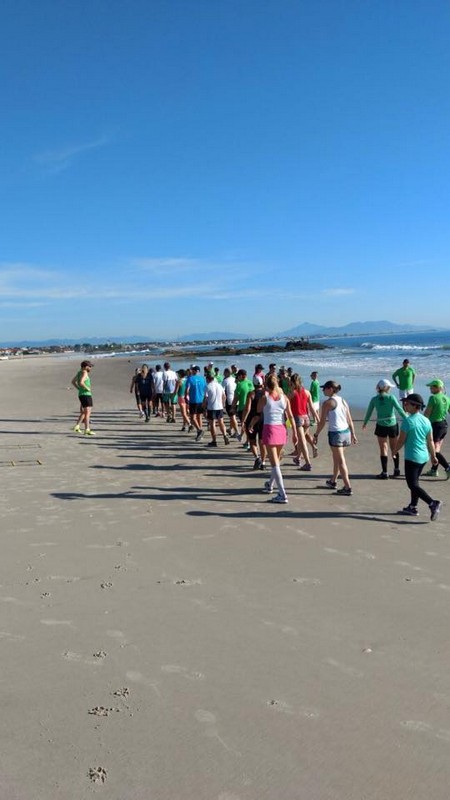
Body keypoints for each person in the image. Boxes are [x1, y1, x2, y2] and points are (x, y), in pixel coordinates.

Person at [392, 393, 441, 520]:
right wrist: (433, 456)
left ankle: (432, 503)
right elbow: (430, 441)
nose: (405, 405)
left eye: (407, 403)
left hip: (412, 457)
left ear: (415, 406)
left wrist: (394, 451)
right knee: (416, 483)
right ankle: (413, 506)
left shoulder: (408, 421)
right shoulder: (426, 420)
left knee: (412, 484)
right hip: (423, 457)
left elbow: (401, 441)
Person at [257, 373, 297, 504]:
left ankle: (282, 494)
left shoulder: (265, 398)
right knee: (276, 461)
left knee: (275, 464)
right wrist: (295, 433)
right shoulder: (284, 398)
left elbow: (258, 411)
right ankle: (270, 484)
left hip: (270, 429)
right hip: (281, 430)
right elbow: (290, 416)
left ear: (266, 385)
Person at [313, 381, 357, 495]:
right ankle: (333, 481)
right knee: (337, 459)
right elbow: (349, 419)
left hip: (336, 433)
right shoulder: (343, 400)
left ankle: (347, 487)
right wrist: (353, 433)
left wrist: (316, 434)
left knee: (341, 461)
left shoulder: (327, 403)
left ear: (331, 389)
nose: (323, 390)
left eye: (325, 389)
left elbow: (322, 422)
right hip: (346, 432)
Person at [362, 378, 407, 478]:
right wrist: (408, 419)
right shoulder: (391, 397)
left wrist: (365, 423)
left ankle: (385, 472)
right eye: (389, 387)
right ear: (385, 388)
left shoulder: (374, 399)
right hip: (392, 425)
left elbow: (369, 412)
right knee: (394, 448)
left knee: (383, 449)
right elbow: (399, 410)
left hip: (381, 425)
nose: (390, 389)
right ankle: (396, 469)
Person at [289, 373, 319, 471]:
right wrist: (318, 418)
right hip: (306, 418)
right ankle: (298, 458)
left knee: (302, 441)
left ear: (293, 382)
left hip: (297, 419)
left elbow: (285, 406)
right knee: (304, 439)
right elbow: (312, 407)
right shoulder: (307, 392)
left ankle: (308, 463)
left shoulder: (292, 393)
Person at [424, 379, 450, 478]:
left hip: (435, 426)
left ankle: (447, 467)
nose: (430, 388)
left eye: (432, 387)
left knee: (433, 450)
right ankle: (434, 470)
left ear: (438, 388)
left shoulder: (433, 398)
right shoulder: (447, 398)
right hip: (444, 426)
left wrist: (421, 424)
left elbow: (427, 413)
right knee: (437, 448)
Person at [204, 373, 229, 447]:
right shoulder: (219, 385)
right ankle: (225, 435)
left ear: (207, 379)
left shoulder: (208, 386)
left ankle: (214, 440)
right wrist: (223, 404)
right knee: (221, 422)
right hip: (219, 407)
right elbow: (224, 396)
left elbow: (205, 398)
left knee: (212, 424)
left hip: (211, 407)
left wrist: (204, 407)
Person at [71, 360, 95, 435]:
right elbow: (81, 382)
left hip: (81, 394)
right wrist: (87, 388)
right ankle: (87, 429)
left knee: (84, 412)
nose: (90, 368)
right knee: (87, 413)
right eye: (89, 366)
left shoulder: (79, 372)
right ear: (85, 367)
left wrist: (79, 388)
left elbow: (73, 381)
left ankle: (77, 426)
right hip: (86, 394)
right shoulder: (84, 372)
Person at [185, 365, 207, 441]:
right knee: (199, 417)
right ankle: (200, 433)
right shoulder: (202, 379)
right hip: (201, 400)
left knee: (193, 418)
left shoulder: (190, 379)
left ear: (194, 371)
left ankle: (199, 430)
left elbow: (187, 390)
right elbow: (205, 389)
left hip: (193, 400)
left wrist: (186, 397)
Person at [222, 367, 239, 438]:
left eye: (224, 372)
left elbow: (222, 392)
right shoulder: (234, 379)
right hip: (237, 400)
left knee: (232, 417)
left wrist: (222, 403)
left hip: (229, 401)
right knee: (233, 416)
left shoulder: (225, 381)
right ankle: (230, 429)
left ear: (227, 373)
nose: (223, 374)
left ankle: (237, 432)